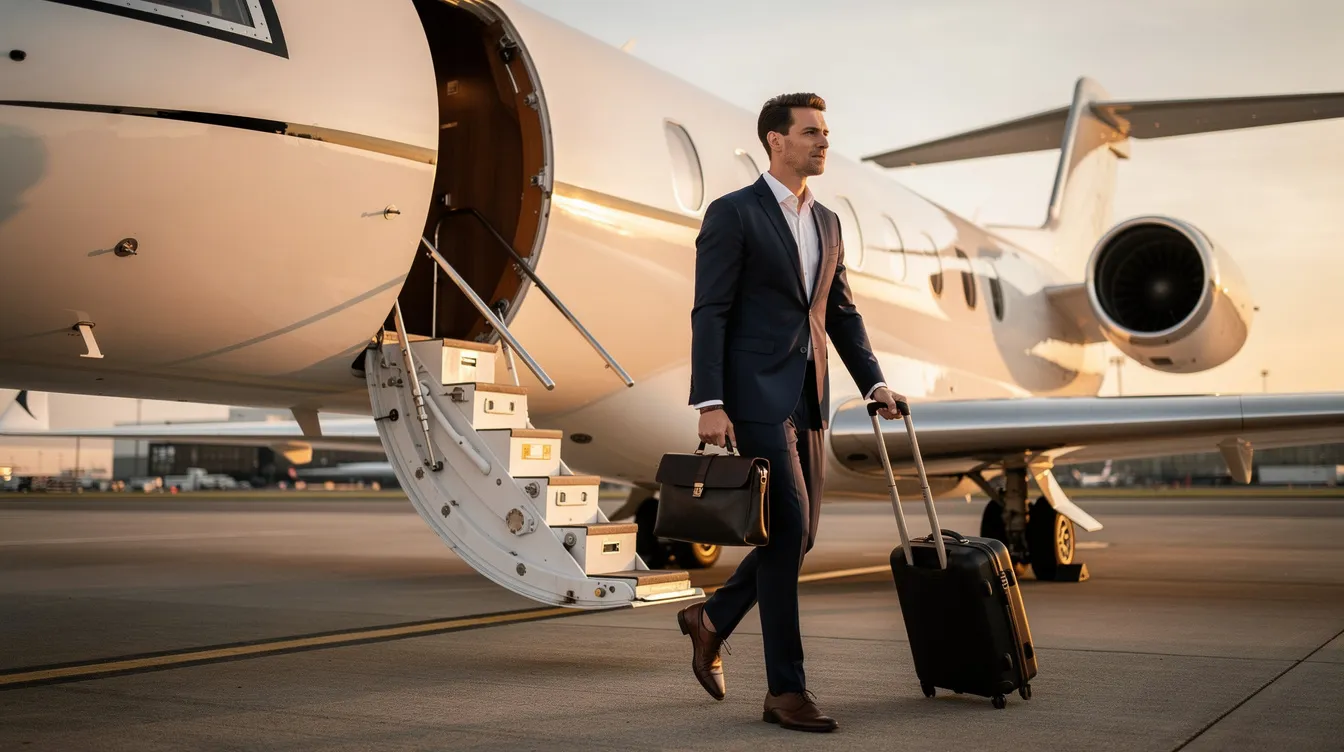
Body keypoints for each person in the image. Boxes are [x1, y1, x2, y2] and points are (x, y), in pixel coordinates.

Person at [677, 92, 906, 733]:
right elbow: (710, 310)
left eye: (826, 132)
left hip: (809, 393)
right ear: (776, 140)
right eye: (811, 132)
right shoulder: (734, 213)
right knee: (788, 530)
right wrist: (710, 401)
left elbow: (840, 312)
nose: (823, 142)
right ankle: (786, 691)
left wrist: (874, 383)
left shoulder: (828, 221)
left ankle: (712, 619)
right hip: (751, 395)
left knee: (797, 537)